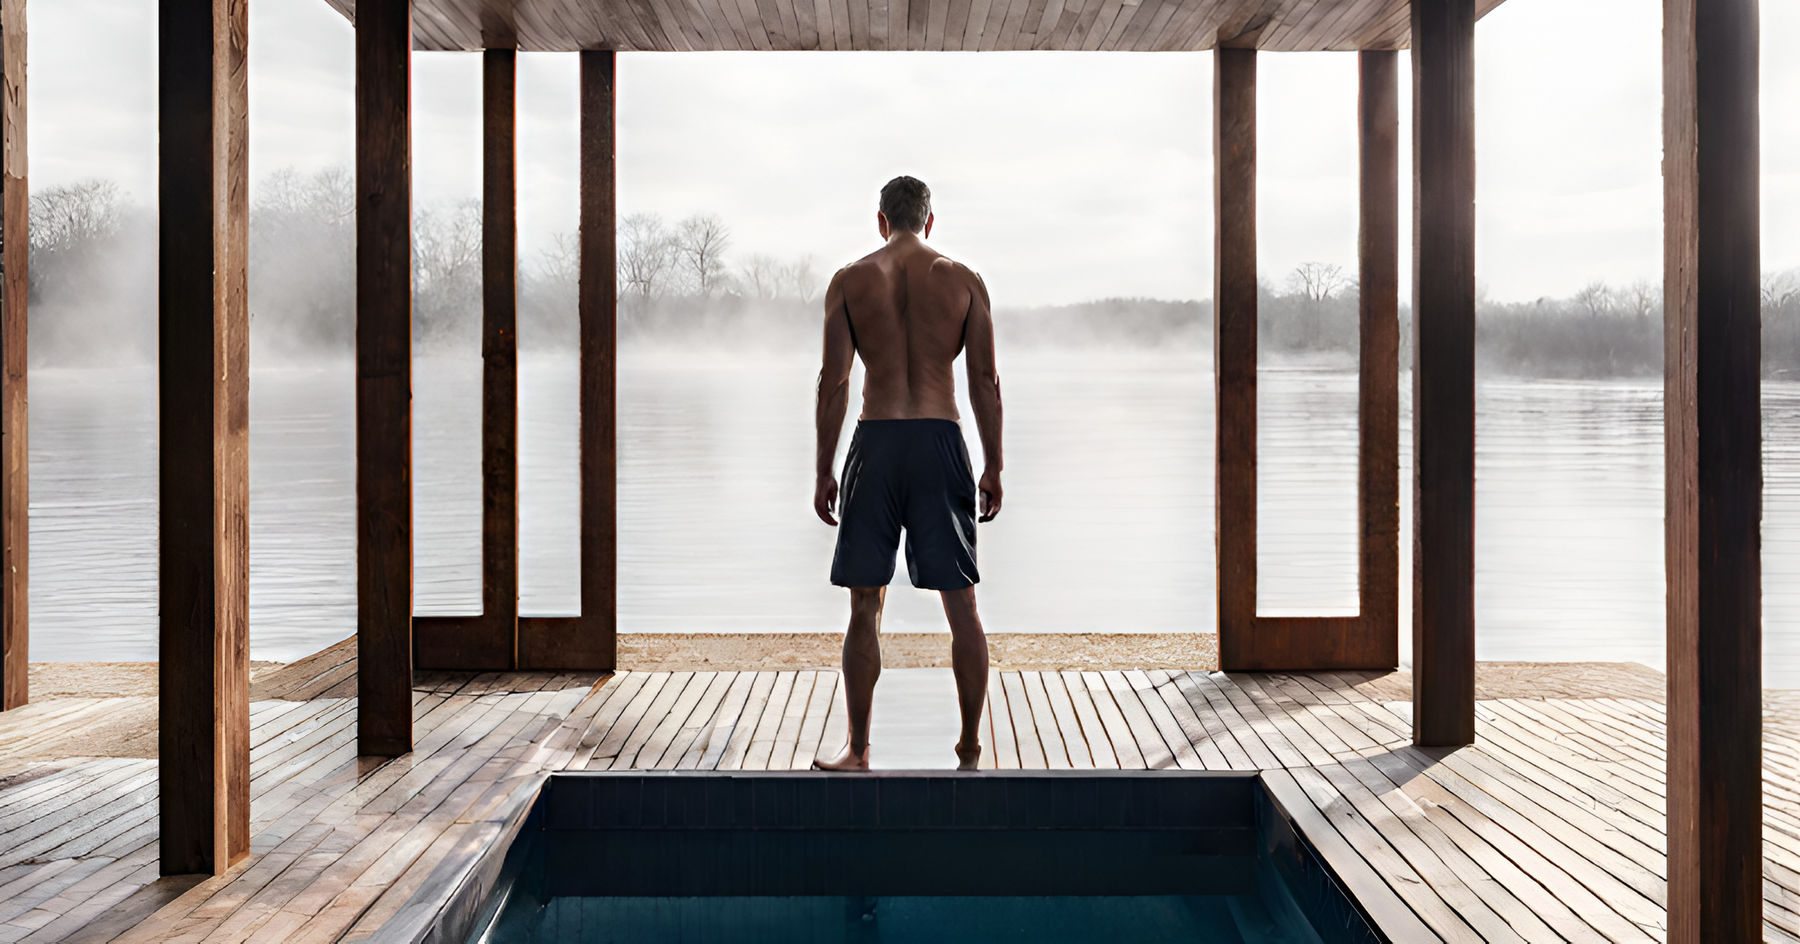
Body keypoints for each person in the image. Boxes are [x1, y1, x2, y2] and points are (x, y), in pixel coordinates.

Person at [812, 176, 1003, 772]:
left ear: (880, 220)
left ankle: (859, 750)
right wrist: (994, 463)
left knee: (864, 605)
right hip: (939, 440)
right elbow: (984, 382)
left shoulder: (850, 280)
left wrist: (823, 468)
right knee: (962, 605)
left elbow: (835, 383)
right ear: (929, 221)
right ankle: (970, 750)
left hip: (877, 442)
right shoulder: (963, 280)